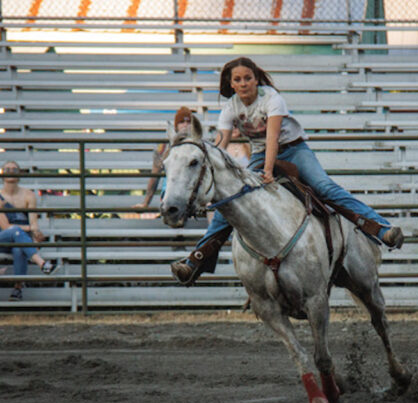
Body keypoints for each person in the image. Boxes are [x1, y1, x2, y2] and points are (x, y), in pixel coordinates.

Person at [170, 57, 405, 285]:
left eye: (248, 78)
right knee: (231, 200)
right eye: (238, 79)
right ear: (231, 84)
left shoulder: (272, 99)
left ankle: (381, 228)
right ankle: (197, 259)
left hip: (293, 149)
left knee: (323, 187)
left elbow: (272, 137)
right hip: (261, 154)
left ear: (256, 80)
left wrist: (269, 171)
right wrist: (206, 154)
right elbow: (221, 145)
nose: (243, 83)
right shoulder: (230, 108)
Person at [0, 161, 55, 301]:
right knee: (15, 230)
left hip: (22, 239)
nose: (11, 171)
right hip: (3, 238)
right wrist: (30, 229)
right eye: (7, 169)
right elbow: (5, 226)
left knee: (19, 248)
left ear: (19, 174)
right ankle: (41, 263)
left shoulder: (29, 195)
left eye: (14, 169)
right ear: (2, 175)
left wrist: (35, 234)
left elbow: (34, 223)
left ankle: (17, 289)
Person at [133, 106, 195, 211]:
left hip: (193, 192)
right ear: (176, 126)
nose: (185, 125)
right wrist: (146, 203)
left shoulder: (198, 145)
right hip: (170, 192)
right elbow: (155, 176)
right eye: (181, 122)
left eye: (188, 122)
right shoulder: (164, 147)